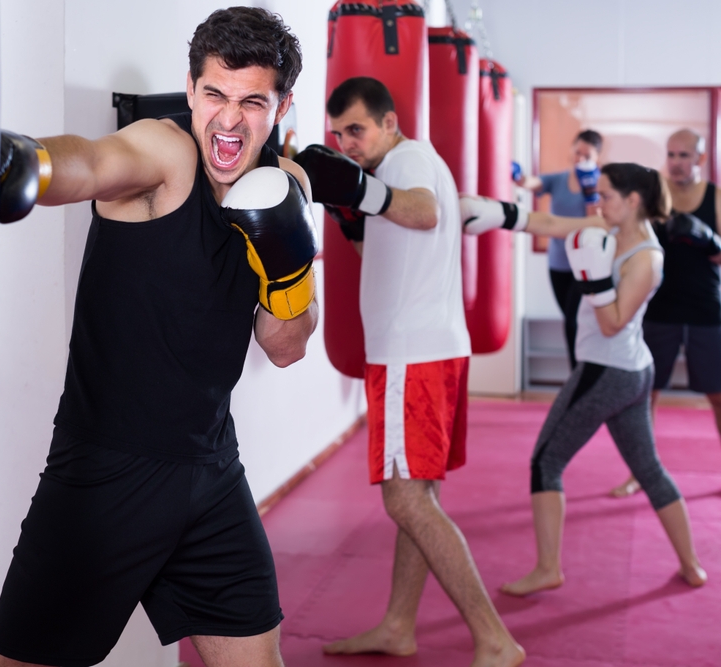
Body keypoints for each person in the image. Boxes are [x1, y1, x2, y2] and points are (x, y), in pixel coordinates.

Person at [0, 8, 320, 667]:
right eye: (215, 95)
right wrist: (29, 162)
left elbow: (286, 345)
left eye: (253, 101)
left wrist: (289, 274)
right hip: (107, 475)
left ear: (282, 104)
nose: (229, 120)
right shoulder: (165, 155)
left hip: (212, 473)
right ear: (191, 89)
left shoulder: (287, 187)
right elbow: (96, 161)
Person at [294, 76, 525, 667]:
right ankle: (399, 625)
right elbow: (392, 247)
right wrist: (350, 212)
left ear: (390, 123)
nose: (347, 143)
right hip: (436, 349)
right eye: (339, 133)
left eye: (357, 130)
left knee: (405, 501)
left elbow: (419, 215)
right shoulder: (407, 167)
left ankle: (494, 638)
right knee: (420, 495)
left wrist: (361, 193)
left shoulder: (406, 161)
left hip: (411, 358)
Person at [463, 164, 708, 596]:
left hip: (607, 370)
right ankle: (691, 565)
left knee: (546, 462)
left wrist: (594, 280)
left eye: (607, 194)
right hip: (631, 369)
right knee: (648, 469)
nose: (598, 201)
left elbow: (612, 323)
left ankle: (548, 568)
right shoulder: (607, 227)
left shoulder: (647, 259)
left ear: (633, 200)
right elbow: (553, 223)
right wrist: (500, 214)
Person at [611, 128, 721, 497]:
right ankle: (640, 473)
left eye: (684, 156)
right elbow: (628, 237)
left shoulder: (716, 198)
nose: (675, 163)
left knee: (718, 396)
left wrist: (711, 239)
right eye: (671, 155)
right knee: (647, 394)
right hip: (658, 308)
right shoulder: (654, 198)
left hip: (707, 308)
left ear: (700, 159)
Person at [514, 130, 603, 369]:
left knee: (576, 320)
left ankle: (581, 373)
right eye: (578, 152)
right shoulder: (559, 179)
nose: (580, 158)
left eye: (587, 154)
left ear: (597, 157)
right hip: (559, 261)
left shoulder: (602, 182)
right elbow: (534, 183)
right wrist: (518, 175)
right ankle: (579, 372)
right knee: (570, 318)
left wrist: (590, 190)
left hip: (587, 263)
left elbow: (596, 222)